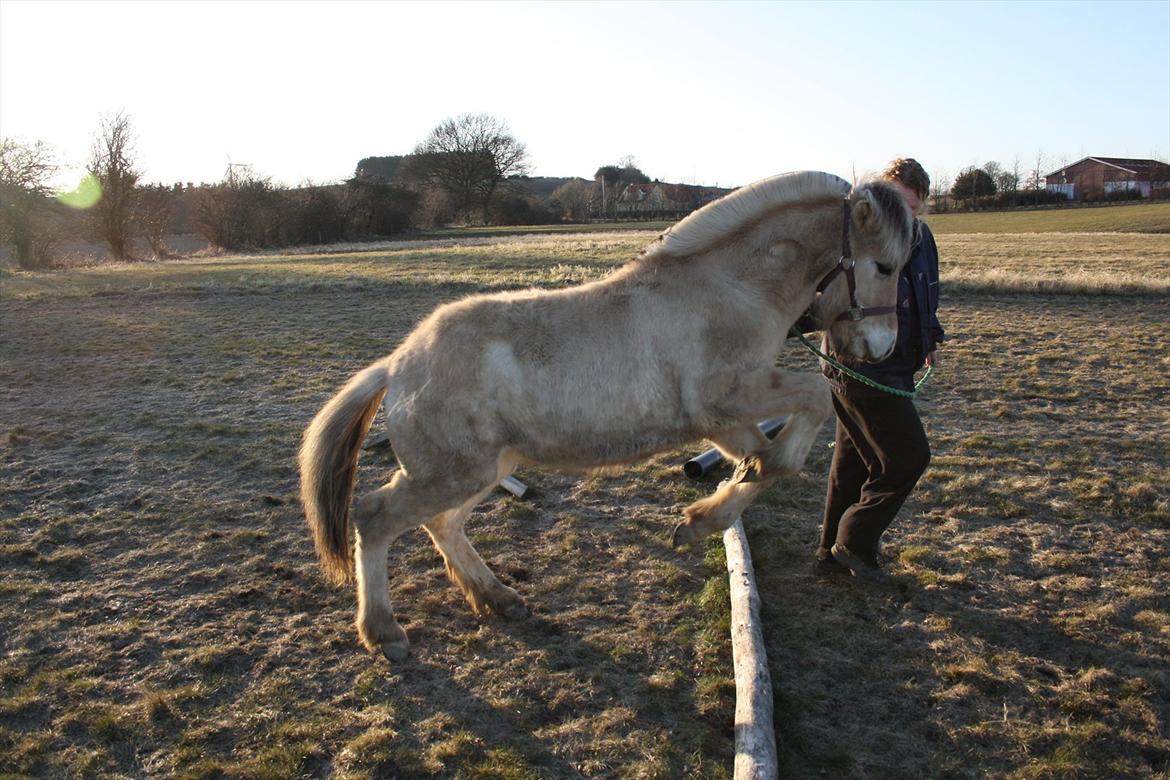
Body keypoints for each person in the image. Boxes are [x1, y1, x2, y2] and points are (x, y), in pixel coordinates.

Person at [814, 158, 944, 581]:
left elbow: (925, 295)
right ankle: (854, 541)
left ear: (921, 206)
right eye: (892, 202)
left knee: (851, 462)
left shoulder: (922, 240)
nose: (901, 214)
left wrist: (929, 341)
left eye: (909, 206)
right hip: (859, 363)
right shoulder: (856, 240)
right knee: (908, 458)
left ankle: (829, 555)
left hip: (898, 363)